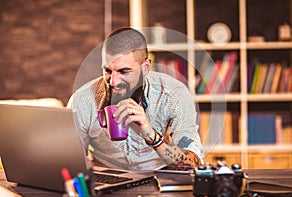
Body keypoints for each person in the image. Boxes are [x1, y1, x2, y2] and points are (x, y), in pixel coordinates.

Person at [67, 27, 204, 170]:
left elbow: (192, 164)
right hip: (108, 177)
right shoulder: (82, 100)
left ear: (145, 68)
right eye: (107, 70)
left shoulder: (174, 95)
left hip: (160, 177)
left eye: (124, 71)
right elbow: (69, 159)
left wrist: (151, 135)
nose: (113, 81)